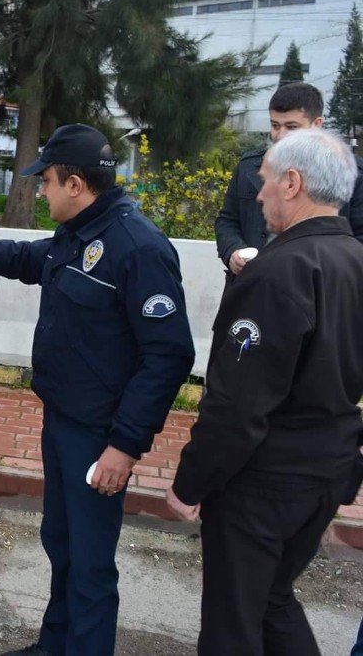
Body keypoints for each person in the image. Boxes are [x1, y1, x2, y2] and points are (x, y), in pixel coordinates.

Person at [0, 124, 195, 655]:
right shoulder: (81, 231)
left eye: (46, 181)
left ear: (75, 184)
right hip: (64, 419)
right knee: (62, 544)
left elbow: (170, 356)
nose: (40, 191)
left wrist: (124, 446)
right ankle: (56, 645)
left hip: (101, 436)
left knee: (92, 563)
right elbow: (34, 260)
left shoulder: (138, 247)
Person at [167, 129, 363, 656]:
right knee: (273, 598)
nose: (258, 196)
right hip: (328, 468)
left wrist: (191, 481)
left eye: (266, 182)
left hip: (265, 480)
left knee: (233, 620)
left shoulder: (277, 272)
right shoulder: (354, 260)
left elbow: (238, 405)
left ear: (292, 184)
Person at [215, 82, 363, 281]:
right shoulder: (248, 166)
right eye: (275, 125)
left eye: (292, 127)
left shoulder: (349, 173)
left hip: (318, 290)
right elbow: (227, 220)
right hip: (250, 285)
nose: (280, 135)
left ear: (317, 124)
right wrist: (233, 251)